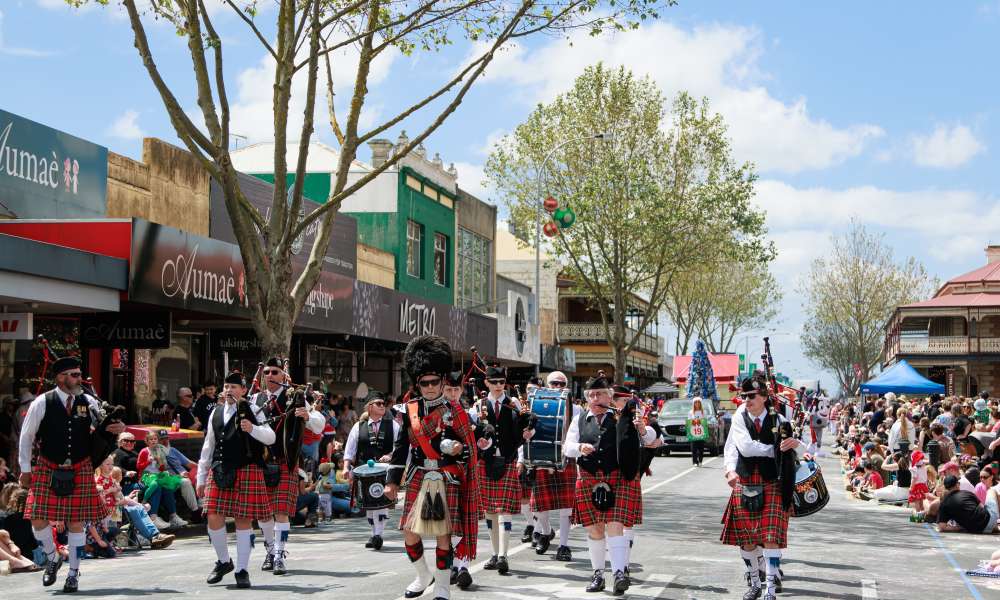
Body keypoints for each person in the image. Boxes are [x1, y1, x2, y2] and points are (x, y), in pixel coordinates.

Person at [17, 356, 125, 592]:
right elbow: (26, 438)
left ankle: (74, 573)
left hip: (80, 466)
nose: (79, 379)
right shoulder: (42, 402)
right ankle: (53, 557)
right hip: (48, 465)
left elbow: (104, 426)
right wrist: (25, 469)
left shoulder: (87, 401)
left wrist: (117, 428)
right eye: (74, 375)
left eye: (79, 374)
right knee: (37, 518)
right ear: (60, 377)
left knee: (76, 523)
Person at [384, 335, 480, 600]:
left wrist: (459, 451)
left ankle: (442, 588)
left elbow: (470, 450)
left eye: (434, 382)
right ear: (418, 383)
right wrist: (392, 481)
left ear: (442, 381)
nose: (429, 387)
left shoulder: (456, 411)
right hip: (418, 476)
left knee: (442, 536)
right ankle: (422, 576)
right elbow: (401, 448)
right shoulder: (408, 411)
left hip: (446, 477)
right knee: (409, 533)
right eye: (424, 383)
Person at [564, 373, 656, 595]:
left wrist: (643, 430)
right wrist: (579, 448)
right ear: (587, 398)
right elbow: (567, 447)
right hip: (588, 477)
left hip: (616, 477)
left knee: (615, 526)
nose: (595, 399)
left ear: (609, 397)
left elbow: (650, 437)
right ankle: (598, 574)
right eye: (592, 395)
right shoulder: (580, 419)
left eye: (600, 394)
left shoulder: (622, 416)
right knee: (594, 530)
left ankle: (618, 574)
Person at [721, 374, 806, 600]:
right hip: (747, 480)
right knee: (747, 539)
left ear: (765, 397)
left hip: (772, 482)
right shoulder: (740, 416)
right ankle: (755, 583)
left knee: (770, 537)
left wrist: (795, 444)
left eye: (751, 396)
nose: (746, 400)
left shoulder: (779, 419)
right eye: (744, 396)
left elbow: (802, 451)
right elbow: (744, 448)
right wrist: (774, 450)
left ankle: (769, 589)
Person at [196, 371, 276, 589]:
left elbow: (271, 437)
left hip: (246, 468)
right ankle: (223, 562)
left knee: (243, 519)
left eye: (234, 387)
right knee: (213, 516)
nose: (229, 390)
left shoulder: (255, 409)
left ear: (243, 390)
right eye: (226, 387)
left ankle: (242, 569)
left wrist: (253, 429)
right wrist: (200, 477)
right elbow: (208, 446)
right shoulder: (216, 412)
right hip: (220, 469)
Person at [251, 357, 325, 575]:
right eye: (266, 373)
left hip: (286, 461)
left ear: (283, 375)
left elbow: (319, 425)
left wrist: (307, 415)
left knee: (281, 512)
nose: (270, 376)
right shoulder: (256, 398)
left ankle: (279, 556)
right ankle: (270, 550)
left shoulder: (296, 396)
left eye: (275, 372)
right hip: (261, 462)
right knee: (263, 514)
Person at [468, 364, 531, 575]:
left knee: (504, 510)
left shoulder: (514, 405)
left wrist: (528, 433)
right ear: (486, 382)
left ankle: (504, 555)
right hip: (485, 463)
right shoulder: (478, 406)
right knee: (489, 510)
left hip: (507, 460)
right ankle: (495, 554)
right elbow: (472, 435)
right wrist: (479, 443)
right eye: (493, 382)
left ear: (505, 383)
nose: (498, 386)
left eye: (501, 382)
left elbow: (522, 433)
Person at [522, 370, 578, 562]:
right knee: (539, 506)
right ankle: (546, 532)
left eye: (562, 384)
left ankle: (564, 546)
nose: (558, 388)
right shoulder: (535, 405)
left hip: (566, 459)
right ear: (547, 385)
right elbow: (526, 433)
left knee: (566, 507)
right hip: (543, 457)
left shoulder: (575, 409)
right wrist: (523, 456)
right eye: (554, 384)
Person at [343, 390, 401, 551]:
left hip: (385, 470)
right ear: (370, 407)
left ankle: (378, 535)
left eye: (383, 403)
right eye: (379, 404)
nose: (383, 406)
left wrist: (390, 455)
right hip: (364, 471)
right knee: (369, 503)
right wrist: (346, 467)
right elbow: (350, 448)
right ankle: (373, 533)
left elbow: (400, 446)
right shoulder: (358, 426)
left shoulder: (392, 425)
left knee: (381, 501)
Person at [135, 430, 188, 530]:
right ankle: (152, 515)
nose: (153, 441)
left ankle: (173, 516)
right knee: (157, 486)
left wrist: (161, 463)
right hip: (146, 476)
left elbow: (161, 469)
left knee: (168, 487)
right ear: (147, 441)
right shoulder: (144, 451)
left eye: (155, 439)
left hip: (158, 475)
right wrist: (148, 461)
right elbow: (138, 466)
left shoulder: (159, 451)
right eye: (151, 439)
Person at [687, 397, 709, 467]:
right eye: (695, 402)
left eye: (698, 402)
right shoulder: (690, 412)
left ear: (700, 404)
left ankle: (700, 461)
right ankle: (694, 462)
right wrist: (693, 421)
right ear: (693, 404)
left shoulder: (704, 412)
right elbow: (689, 421)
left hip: (701, 431)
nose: (697, 404)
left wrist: (701, 421)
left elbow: (705, 421)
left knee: (701, 447)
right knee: (694, 448)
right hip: (693, 432)